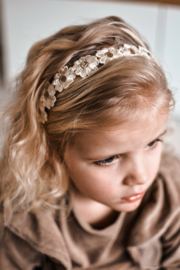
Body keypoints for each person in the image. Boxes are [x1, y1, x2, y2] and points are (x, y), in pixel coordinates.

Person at [0, 16, 179, 270]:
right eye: (108, 159)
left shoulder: (170, 192)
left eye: (152, 143)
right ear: (51, 151)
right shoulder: (25, 222)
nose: (140, 176)